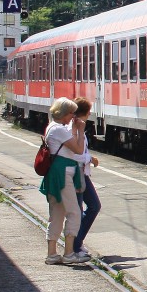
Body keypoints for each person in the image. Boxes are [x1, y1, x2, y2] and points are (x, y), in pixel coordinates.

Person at [40, 98, 91, 266]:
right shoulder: (59, 130)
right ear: (64, 113)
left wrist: (75, 129)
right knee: (74, 212)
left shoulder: (52, 128)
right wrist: (80, 130)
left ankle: (52, 254)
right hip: (63, 174)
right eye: (71, 113)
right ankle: (69, 252)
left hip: (56, 173)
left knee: (56, 214)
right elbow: (77, 149)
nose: (73, 117)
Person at [70, 97, 100, 258]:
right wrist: (90, 159)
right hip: (77, 174)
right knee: (90, 207)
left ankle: (77, 243)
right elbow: (75, 154)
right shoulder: (73, 130)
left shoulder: (77, 128)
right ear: (82, 114)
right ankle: (75, 246)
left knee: (86, 208)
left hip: (82, 173)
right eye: (88, 113)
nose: (90, 116)